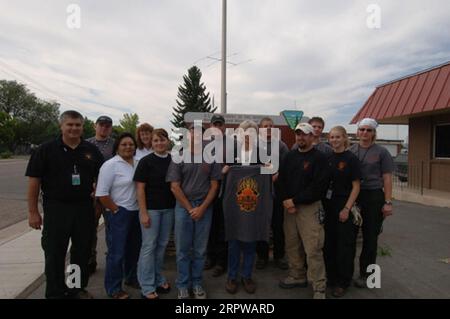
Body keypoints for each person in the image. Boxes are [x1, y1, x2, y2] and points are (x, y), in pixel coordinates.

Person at [26, 110, 103, 299]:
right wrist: (33, 212)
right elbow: (34, 182)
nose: (74, 128)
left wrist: (98, 204)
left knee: (80, 252)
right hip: (56, 209)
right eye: (70, 124)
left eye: (78, 125)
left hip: (84, 208)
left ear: (82, 127)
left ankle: (76, 289)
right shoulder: (45, 150)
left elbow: (101, 178)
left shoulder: (90, 150)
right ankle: (55, 292)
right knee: (54, 253)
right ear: (61, 126)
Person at [166, 123, 222, 299]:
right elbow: (174, 187)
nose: (195, 137)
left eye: (199, 134)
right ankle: (183, 285)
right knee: (183, 250)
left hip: (204, 207)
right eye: (192, 134)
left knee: (200, 250)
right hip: (184, 207)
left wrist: (202, 208)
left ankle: (197, 283)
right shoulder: (178, 157)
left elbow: (215, 186)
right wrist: (191, 209)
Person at [278, 122, 330, 299]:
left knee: (313, 248)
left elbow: (319, 188)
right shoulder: (290, 156)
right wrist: (286, 200)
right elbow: (282, 180)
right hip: (289, 208)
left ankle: (319, 286)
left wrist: (294, 200)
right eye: (298, 134)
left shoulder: (320, 158)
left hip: (309, 208)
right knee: (292, 245)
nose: (301, 137)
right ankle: (297, 275)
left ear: (311, 136)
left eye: (304, 134)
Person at [222, 120, 272, 295]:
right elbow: (220, 176)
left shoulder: (262, 153)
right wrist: (225, 170)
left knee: (250, 242)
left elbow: (271, 174)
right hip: (234, 206)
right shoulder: (231, 153)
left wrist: (268, 168)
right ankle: (232, 276)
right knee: (234, 242)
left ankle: (247, 276)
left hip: (253, 206)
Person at [349, 118, 394, 288]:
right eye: (362, 129)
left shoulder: (381, 152)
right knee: (350, 236)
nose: (365, 133)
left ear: (374, 133)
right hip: (355, 195)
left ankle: (368, 276)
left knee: (370, 239)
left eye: (368, 130)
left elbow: (387, 178)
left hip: (374, 196)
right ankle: (346, 273)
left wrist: (388, 202)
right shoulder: (351, 150)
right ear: (357, 131)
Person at [95, 133, 141, 299]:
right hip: (119, 213)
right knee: (117, 253)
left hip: (136, 212)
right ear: (117, 147)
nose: (128, 147)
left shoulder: (137, 163)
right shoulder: (110, 165)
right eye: (124, 144)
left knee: (133, 250)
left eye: (131, 144)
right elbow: (101, 194)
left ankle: (131, 278)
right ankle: (114, 288)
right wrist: (115, 210)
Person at [134, 129, 175, 300]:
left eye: (162, 140)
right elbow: (140, 188)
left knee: (162, 246)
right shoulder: (146, 161)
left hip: (169, 209)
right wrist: (143, 212)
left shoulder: (174, 160)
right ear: (151, 142)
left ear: (167, 141)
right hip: (151, 209)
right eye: (156, 140)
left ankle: (158, 279)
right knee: (149, 247)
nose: (159, 143)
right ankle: (147, 286)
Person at [323, 126, 361, 297]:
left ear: (345, 138)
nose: (334, 140)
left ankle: (343, 282)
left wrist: (347, 208)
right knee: (329, 245)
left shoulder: (351, 159)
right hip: (328, 205)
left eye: (338, 137)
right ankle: (331, 279)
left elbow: (356, 186)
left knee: (344, 247)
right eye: (332, 137)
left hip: (345, 204)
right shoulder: (328, 157)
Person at [255, 117, 289, 270]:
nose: (268, 128)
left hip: (277, 193)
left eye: (271, 126)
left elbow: (288, 166)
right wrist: (267, 172)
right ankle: (262, 257)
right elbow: (252, 166)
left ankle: (279, 256)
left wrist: (279, 173)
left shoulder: (281, 145)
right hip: (260, 193)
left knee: (278, 226)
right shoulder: (254, 145)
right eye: (265, 126)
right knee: (261, 226)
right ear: (260, 128)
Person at [86, 115, 115, 275]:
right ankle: (90, 259)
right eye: (101, 125)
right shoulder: (87, 144)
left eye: (107, 125)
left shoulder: (114, 144)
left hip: (110, 193)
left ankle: (113, 258)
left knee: (112, 227)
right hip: (91, 193)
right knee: (90, 228)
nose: (104, 128)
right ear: (95, 126)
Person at [205, 114, 229, 278]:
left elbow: (237, 162)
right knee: (209, 226)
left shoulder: (233, 143)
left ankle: (221, 262)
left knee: (222, 228)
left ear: (224, 127)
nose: (218, 127)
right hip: (207, 191)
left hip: (226, 191)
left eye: (220, 124)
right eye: (215, 124)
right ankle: (210, 257)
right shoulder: (204, 144)